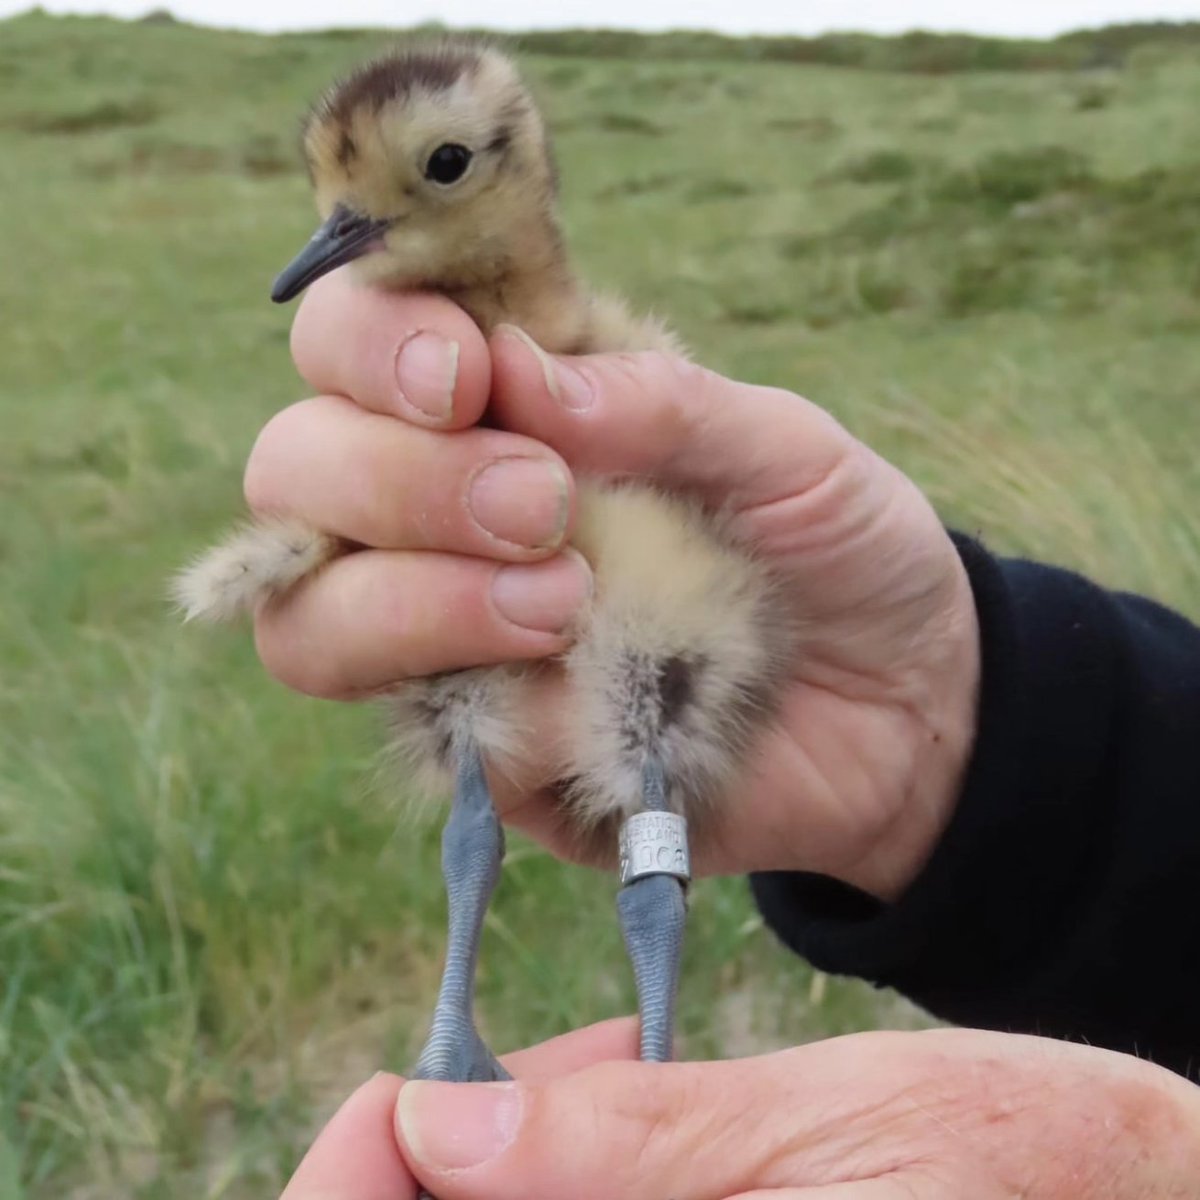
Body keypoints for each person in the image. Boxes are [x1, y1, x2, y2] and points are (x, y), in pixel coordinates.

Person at [247, 273, 1200, 1198]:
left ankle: (643, 1086)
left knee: (624, 807)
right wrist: (961, 708)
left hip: (663, 639)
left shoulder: (574, 389)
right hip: (668, 642)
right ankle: (499, 1041)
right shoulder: (535, 398)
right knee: (502, 777)